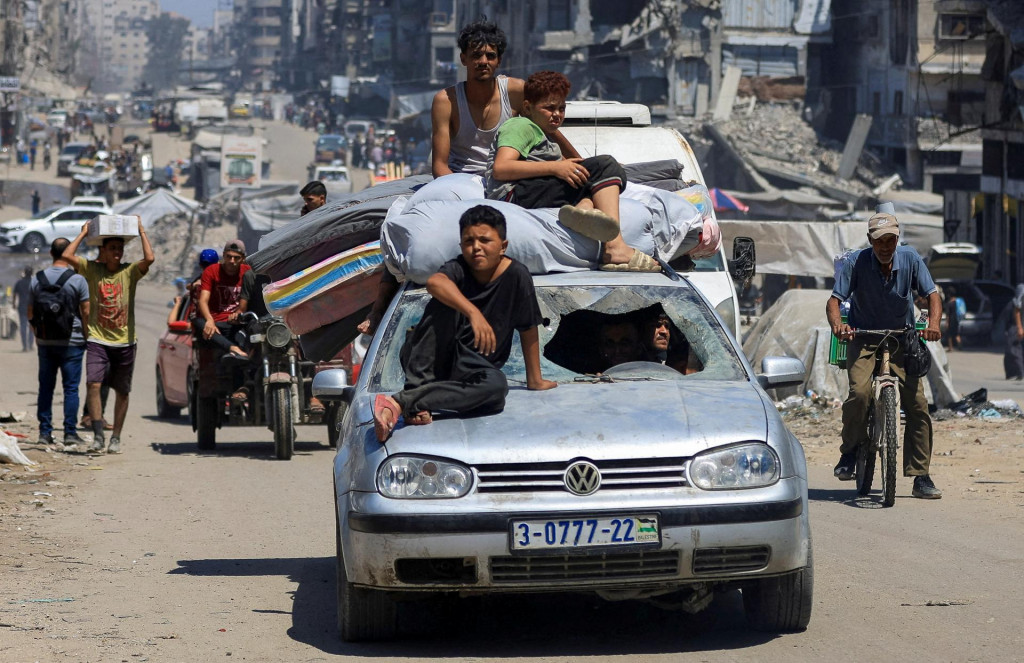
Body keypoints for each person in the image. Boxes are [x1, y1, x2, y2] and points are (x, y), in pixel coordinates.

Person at [371, 205, 557, 442]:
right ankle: (415, 393)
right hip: (432, 365)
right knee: (444, 299)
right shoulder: (458, 269)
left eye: (484, 240)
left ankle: (403, 402)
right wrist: (472, 312)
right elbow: (435, 283)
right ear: (461, 246)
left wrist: (535, 380)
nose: (476, 247)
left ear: (503, 246)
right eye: (469, 241)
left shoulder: (517, 276)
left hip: (475, 372)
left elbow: (528, 326)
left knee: (497, 389)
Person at [486, 70, 658, 272]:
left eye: (561, 108)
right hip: (513, 195)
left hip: (530, 190)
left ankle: (584, 207)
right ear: (527, 107)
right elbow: (501, 168)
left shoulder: (542, 133)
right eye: (549, 108)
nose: (557, 114)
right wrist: (556, 167)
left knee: (593, 176)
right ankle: (615, 247)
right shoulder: (520, 125)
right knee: (606, 165)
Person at [826, 204, 943, 499]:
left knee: (917, 405)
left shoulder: (911, 258)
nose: (885, 246)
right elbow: (834, 301)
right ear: (870, 240)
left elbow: (932, 295)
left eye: (890, 240)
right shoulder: (857, 262)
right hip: (863, 337)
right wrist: (839, 325)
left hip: (902, 338)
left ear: (897, 238)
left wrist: (933, 324)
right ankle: (849, 452)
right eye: (879, 241)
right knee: (859, 394)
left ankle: (921, 475)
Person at [431, 20, 578, 178]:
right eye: (476, 55)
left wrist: (579, 164)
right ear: (463, 59)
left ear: (499, 61)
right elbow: (440, 166)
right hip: (461, 179)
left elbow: (547, 128)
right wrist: (457, 189)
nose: (483, 62)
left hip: (506, 180)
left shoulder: (515, 92)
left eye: (490, 56)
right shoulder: (446, 101)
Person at [64, 219, 155, 453]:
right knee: (93, 384)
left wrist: (142, 231)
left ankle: (116, 437)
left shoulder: (130, 272)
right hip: (97, 339)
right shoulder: (92, 270)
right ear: (102, 251)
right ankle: (98, 435)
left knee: (122, 391)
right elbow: (67, 255)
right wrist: (83, 233)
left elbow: (150, 259)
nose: (117, 252)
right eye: (112, 248)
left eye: (120, 248)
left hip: (125, 342)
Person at [28, 238, 90, 446]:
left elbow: (30, 312)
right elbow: (86, 312)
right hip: (72, 342)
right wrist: (87, 336)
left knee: (45, 388)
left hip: (45, 341)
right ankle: (70, 433)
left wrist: (37, 334)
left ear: (51, 253)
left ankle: (45, 433)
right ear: (70, 254)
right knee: (71, 389)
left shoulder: (37, 279)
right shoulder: (78, 280)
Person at [195, 240, 250, 362]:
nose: (232, 261)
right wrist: (209, 320)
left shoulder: (248, 273)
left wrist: (238, 314)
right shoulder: (211, 271)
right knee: (199, 322)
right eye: (228, 256)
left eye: (236, 258)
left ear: (243, 259)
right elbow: (203, 300)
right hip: (215, 322)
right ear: (223, 255)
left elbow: (246, 301)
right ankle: (233, 348)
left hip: (236, 323)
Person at [1005, 283, 1024, 381]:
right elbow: (1017, 310)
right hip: (1017, 325)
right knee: (1014, 349)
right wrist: (1019, 327)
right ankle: (1017, 372)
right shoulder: (1022, 290)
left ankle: (1019, 372)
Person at [13, 267, 34, 352]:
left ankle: (25, 346)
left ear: (24, 273)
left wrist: (13, 304)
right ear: (32, 273)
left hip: (22, 307)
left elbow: (15, 294)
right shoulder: (35, 283)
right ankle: (30, 345)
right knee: (32, 326)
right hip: (32, 308)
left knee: (23, 326)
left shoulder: (19, 282)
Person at [943, 286, 962, 351]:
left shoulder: (949, 303)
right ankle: (960, 345)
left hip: (951, 320)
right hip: (956, 319)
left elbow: (948, 314)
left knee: (949, 334)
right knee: (956, 333)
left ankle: (950, 348)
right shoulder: (957, 301)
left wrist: (947, 323)